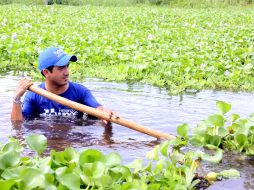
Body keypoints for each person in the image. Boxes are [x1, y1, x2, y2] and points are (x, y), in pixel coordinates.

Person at [11, 47, 118, 125]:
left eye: (67, 66)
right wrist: (17, 98)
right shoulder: (33, 95)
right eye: (61, 68)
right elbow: (17, 125)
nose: (67, 72)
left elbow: (98, 108)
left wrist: (105, 113)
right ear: (46, 72)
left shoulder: (80, 91)